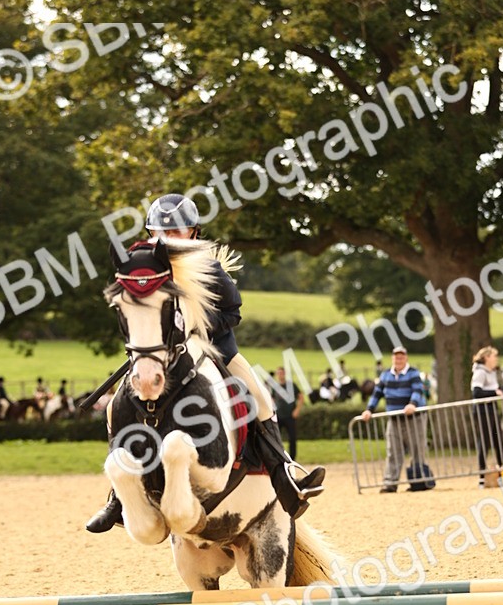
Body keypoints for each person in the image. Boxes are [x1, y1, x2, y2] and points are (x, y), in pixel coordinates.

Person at [86, 194, 325, 532]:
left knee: (259, 396)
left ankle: (284, 476)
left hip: (215, 349)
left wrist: (195, 325)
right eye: (160, 232)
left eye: (176, 232)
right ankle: (117, 496)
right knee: (115, 408)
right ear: (150, 233)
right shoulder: (144, 269)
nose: (167, 238)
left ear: (193, 233)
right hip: (160, 354)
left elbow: (233, 311)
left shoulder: (207, 266)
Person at [360, 346, 429, 492]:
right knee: (393, 451)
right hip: (394, 419)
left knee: (417, 450)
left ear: (406, 358)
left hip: (414, 418)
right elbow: (376, 394)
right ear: (392, 358)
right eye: (396, 356)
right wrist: (369, 409)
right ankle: (390, 483)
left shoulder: (413, 373)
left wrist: (412, 404)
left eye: (401, 356)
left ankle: (418, 482)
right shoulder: (385, 375)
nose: (399, 359)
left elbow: (418, 390)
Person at [470, 346, 503, 486]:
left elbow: (496, 390)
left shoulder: (492, 372)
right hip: (482, 410)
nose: (496, 359)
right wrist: (494, 393)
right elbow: (477, 392)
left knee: (499, 441)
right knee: (484, 442)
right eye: (493, 356)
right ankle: (481, 476)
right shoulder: (480, 372)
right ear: (486, 358)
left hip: (492, 409)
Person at [269, 367, 304, 461]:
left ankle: (292, 458)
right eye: (279, 373)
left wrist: (297, 410)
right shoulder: (275, 386)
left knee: (292, 438)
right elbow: (272, 398)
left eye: (282, 373)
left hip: (290, 416)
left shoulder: (291, 386)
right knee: (276, 439)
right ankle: (279, 457)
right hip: (278, 416)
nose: (280, 375)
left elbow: (301, 397)